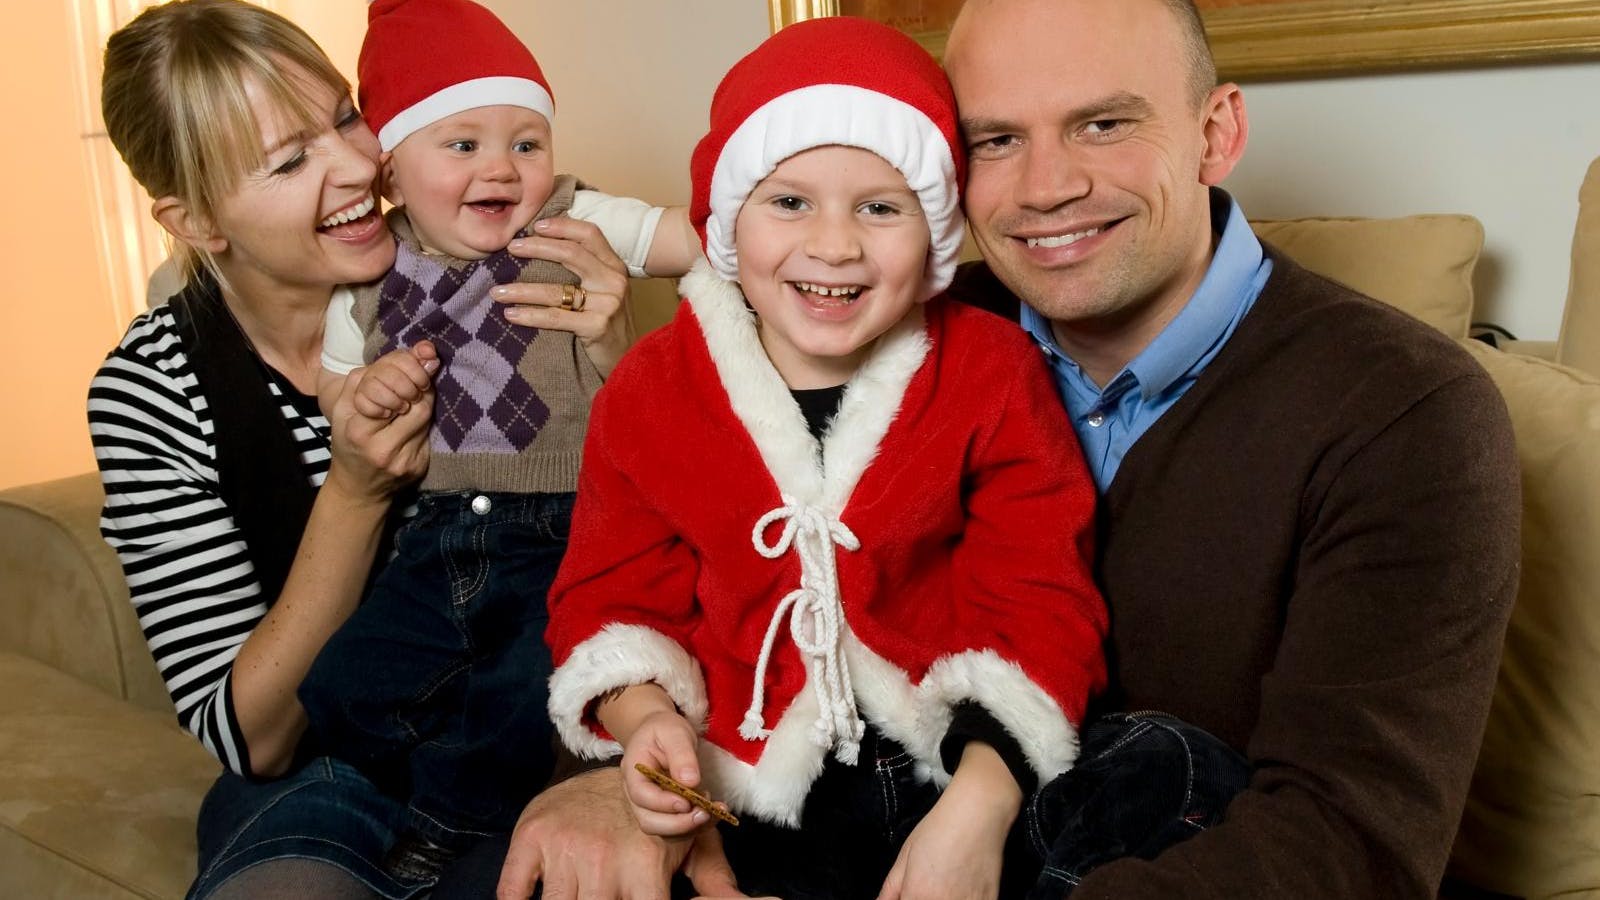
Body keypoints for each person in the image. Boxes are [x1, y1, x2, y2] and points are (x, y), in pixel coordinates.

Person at [537, 18, 1253, 900]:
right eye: (789, 202)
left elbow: (1038, 591)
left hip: (946, 762)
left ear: (935, 241)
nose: (834, 247)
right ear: (726, 222)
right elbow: (607, 594)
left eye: (881, 207)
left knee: (1176, 764)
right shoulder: (650, 388)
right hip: (756, 781)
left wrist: (984, 797)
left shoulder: (992, 371)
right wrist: (644, 717)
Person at [86, 2, 695, 897]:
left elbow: (655, 529)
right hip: (325, 770)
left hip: (536, 729)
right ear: (198, 221)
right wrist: (357, 490)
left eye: (344, 117)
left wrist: (610, 358)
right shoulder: (156, 388)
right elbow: (250, 736)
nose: (357, 164)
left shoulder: (510, 259)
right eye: (291, 161)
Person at [935, 0, 1522, 897]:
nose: (1045, 187)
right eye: (996, 140)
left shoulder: (1407, 413)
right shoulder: (908, 340)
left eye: (1102, 124)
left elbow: (1349, 848)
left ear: (1218, 132)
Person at [293, 0, 699, 881]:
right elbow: (335, 385)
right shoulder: (371, 271)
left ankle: (456, 820)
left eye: (527, 140)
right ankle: (449, 775)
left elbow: (696, 238)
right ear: (392, 169)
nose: (505, 167)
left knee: (528, 686)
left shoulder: (571, 218)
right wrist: (363, 393)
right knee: (340, 687)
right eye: (463, 143)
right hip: (435, 534)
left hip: (571, 528)